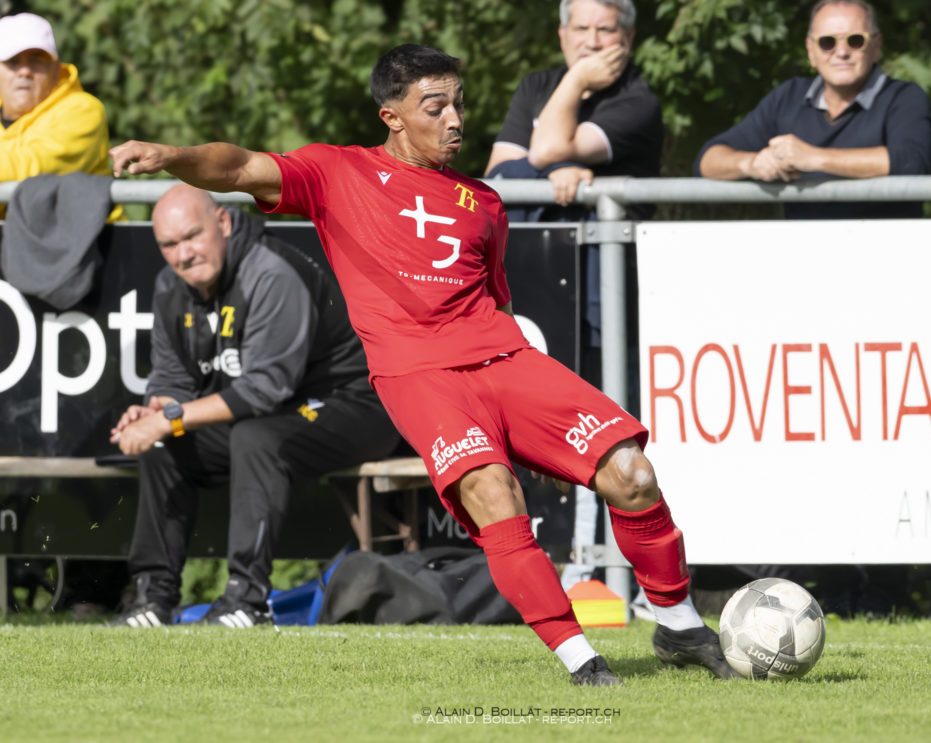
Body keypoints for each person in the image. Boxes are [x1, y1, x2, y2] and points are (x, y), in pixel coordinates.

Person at [108, 43, 737, 684]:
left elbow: (497, 303)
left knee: (631, 474)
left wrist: (529, 437)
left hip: (503, 356)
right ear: (393, 117)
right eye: (435, 107)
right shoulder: (336, 173)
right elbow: (239, 166)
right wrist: (171, 158)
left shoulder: (485, 204)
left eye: (459, 103)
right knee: (495, 495)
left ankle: (681, 625)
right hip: (417, 377)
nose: (455, 119)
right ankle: (582, 662)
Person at [107, 184, 399, 628]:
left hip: (355, 404)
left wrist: (168, 420)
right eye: (169, 244)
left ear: (222, 223)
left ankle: (246, 600)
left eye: (192, 236)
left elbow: (264, 389)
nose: (183, 254)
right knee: (167, 446)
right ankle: (153, 598)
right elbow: (173, 381)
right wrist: (156, 412)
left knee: (253, 435)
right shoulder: (171, 286)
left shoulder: (270, 272)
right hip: (276, 413)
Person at [693, 0, 931, 219]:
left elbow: (912, 162)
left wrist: (814, 158)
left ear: (876, 46)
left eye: (855, 40)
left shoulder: (903, 97)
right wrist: (752, 163)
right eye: (827, 42)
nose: (841, 52)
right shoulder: (788, 97)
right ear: (811, 51)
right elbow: (707, 161)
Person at [484, 0, 662, 215]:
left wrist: (577, 78)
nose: (592, 42)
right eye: (581, 28)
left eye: (605, 30)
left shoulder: (637, 102)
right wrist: (551, 172)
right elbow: (496, 175)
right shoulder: (535, 86)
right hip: (527, 241)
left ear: (629, 37)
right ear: (563, 35)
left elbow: (545, 151)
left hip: (601, 243)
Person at [0, 12, 121, 219]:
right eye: (13, 62)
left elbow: (33, 168)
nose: (25, 71)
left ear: (56, 69)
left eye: (37, 60)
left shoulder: (83, 110)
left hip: (90, 247)